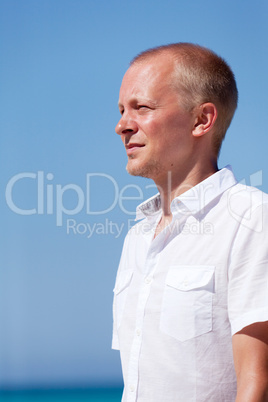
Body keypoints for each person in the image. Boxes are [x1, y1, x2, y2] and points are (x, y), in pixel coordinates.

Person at [112, 43, 268, 402]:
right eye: (122, 110)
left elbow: (256, 382)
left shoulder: (251, 220)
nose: (121, 125)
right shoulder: (137, 237)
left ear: (202, 120)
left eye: (142, 108)